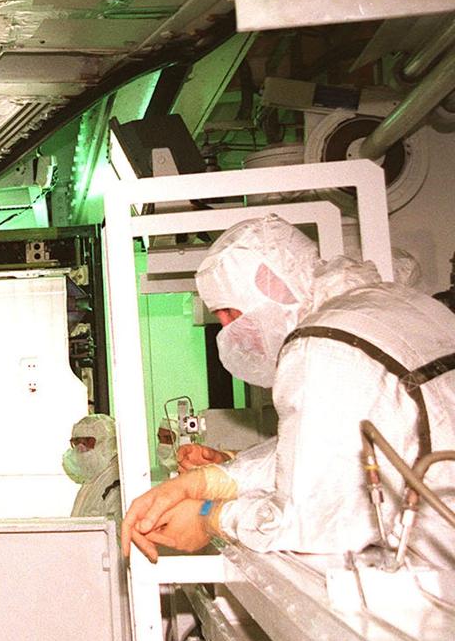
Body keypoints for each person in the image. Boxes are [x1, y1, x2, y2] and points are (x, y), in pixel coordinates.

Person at [121, 215, 455, 567]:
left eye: (231, 315)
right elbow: (334, 451)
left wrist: (209, 518)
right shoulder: (393, 304)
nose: (230, 332)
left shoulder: (321, 346)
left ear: (269, 285)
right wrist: (211, 481)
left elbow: (315, 523)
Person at [63, 414, 122, 520]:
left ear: (108, 443)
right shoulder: (92, 481)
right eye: (76, 442)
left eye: (88, 442)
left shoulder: (116, 484)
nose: (81, 448)